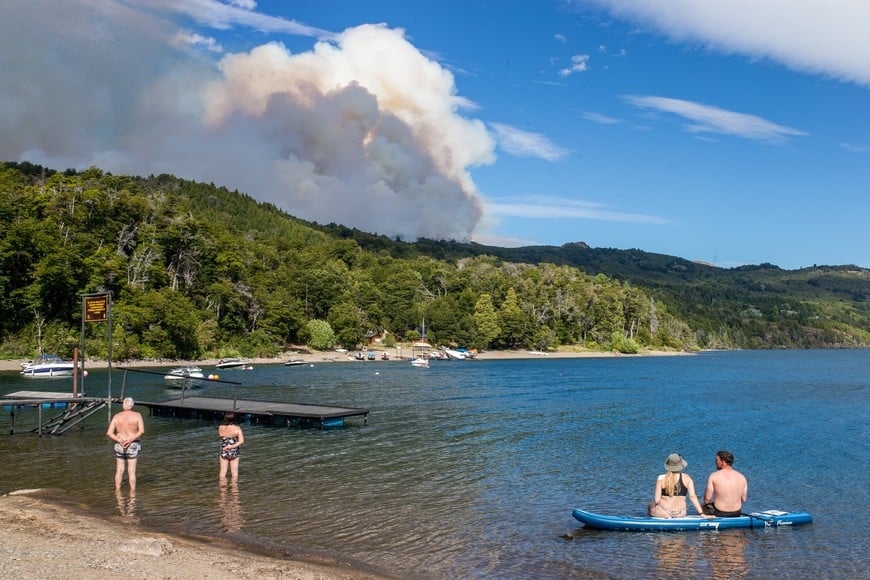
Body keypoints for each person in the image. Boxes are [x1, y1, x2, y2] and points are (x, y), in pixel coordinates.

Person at [648, 453, 706, 518]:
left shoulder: (661, 478)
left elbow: (657, 500)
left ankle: (665, 517)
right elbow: (693, 497)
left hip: (664, 512)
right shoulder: (687, 478)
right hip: (680, 513)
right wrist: (701, 513)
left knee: (650, 506)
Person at [106, 397, 145, 490]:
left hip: (120, 444)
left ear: (124, 405)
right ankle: (132, 495)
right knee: (131, 471)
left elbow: (109, 433)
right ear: (132, 405)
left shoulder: (117, 416)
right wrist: (131, 439)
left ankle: (118, 491)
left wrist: (119, 440)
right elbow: (142, 431)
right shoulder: (137, 415)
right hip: (133, 444)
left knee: (119, 470)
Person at [703, 450, 748, 517]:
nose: (715, 462)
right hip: (736, 512)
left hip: (720, 512)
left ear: (723, 462)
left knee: (702, 508)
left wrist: (702, 507)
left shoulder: (714, 476)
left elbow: (707, 499)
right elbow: (744, 499)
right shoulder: (742, 477)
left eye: (717, 460)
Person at [218, 412, 244, 480]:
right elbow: (241, 441)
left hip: (224, 450)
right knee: (234, 474)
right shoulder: (237, 428)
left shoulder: (220, 427)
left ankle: (222, 489)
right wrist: (231, 447)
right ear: (234, 419)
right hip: (234, 451)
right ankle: (234, 490)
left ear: (225, 419)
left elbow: (221, 436)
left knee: (222, 473)